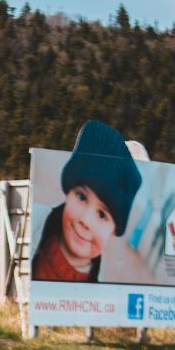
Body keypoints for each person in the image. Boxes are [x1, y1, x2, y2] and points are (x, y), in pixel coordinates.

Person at [30, 120, 143, 283]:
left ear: (113, 231)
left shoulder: (106, 281)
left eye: (102, 215)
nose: (86, 221)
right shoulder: (35, 223)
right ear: (68, 193)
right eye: (82, 197)